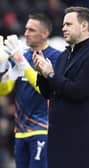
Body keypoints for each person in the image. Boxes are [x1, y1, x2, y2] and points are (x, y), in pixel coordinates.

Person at [33, 6, 89, 168]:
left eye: (68, 24)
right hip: (60, 141)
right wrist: (41, 73)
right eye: (63, 25)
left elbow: (77, 91)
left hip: (84, 143)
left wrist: (51, 75)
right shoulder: (63, 56)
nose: (63, 28)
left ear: (84, 26)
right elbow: (49, 93)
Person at [0, 13, 60, 168]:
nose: (26, 33)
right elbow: (4, 90)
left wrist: (21, 62)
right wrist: (3, 66)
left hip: (43, 129)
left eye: (32, 30)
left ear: (45, 33)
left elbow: (45, 89)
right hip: (20, 130)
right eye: (26, 29)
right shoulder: (22, 56)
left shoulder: (55, 57)